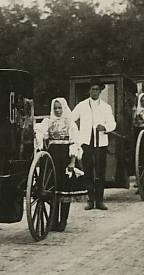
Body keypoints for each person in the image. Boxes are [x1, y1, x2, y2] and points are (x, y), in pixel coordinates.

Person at [35, 98, 85, 231]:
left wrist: (72, 162)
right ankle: (52, 221)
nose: (57, 110)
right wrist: (39, 137)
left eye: (60, 108)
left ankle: (63, 221)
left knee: (64, 191)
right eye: (55, 108)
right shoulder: (48, 122)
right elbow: (40, 134)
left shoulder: (70, 124)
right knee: (53, 191)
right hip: (51, 159)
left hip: (64, 158)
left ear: (64, 108)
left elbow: (75, 143)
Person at [71, 81, 116, 211]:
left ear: (100, 91)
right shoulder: (82, 105)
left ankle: (100, 200)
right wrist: (77, 134)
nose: (94, 92)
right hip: (86, 142)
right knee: (88, 170)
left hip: (100, 143)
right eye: (92, 89)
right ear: (89, 91)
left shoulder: (106, 107)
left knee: (100, 171)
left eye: (96, 89)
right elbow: (71, 119)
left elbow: (113, 123)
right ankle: (90, 200)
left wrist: (105, 127)